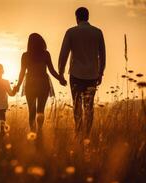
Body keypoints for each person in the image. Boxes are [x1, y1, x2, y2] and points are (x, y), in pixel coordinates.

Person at [58, 7, 106, 137]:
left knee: (77, 105)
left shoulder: (71, 32)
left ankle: (79, 133)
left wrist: (60, 73)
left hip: (76, 75)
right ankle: (87, 136)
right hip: (92, 75)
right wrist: (100, 73)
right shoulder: (97, 32)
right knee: (89, 107)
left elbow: (64, 54)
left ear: (76, 17)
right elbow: (102, 54)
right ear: (88, 17)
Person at [14, 33, 67, 134]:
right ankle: (40, 132)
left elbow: (22, 72)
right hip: (43, 83)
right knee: (40, 111)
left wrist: (18, 86)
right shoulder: (45, 54)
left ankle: (32, 132)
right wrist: (60, 79)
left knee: (32, 111)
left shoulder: (25, 55)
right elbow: (51, 70)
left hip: (30, 83)